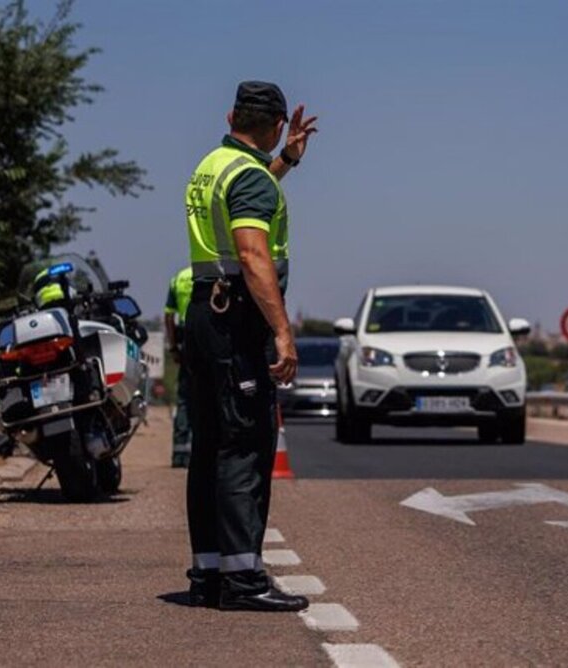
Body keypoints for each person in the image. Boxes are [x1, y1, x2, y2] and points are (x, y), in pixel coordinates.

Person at [183, 81, 317, 611]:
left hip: (204, 315)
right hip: (237, 321)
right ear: (278, 123)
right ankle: (244, 582)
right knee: (245, 446)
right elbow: (252, 253)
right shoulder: (250, 180)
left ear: (231, 115)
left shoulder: (214, 165)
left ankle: (209, 575)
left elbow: (245, 197)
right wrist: (282, 331)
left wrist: (285, 161)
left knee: (211, 447)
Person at [164, 265, 194, 468]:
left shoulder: (178, 278)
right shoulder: (212, 274)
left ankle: (179, 453)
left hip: (185, 338)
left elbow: (169, 316)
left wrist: (173, 346)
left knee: (184, 398)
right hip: (207, 335)